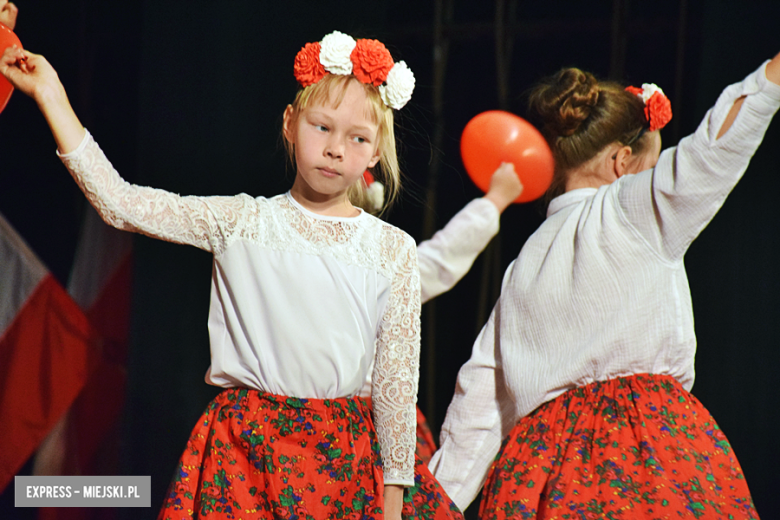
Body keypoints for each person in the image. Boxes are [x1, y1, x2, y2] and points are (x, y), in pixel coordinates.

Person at [0, 30, 462, 520]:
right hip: (245, 452)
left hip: (341, 460)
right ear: (290, 122)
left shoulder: (392, 249)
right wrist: (51, 95)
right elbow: (121, 203)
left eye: (357, 138)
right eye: (321, 127)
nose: (334, 149)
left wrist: (393, 495)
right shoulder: (241, 222)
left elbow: (396, 382)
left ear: (374, 154)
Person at [429, 51, 780, 519]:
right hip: (642, 448)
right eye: (650, 164)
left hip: (539, 470)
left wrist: (431, 505)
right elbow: (715, 148)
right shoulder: (636, 208)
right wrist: (771, 76)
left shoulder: (522, 267)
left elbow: (480, 405)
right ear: (621, 161)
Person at [359, 163, 524, 463]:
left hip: (370, 420)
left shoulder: (376, 276)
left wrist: (495, 201)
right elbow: (439, 258)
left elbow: (439, 258)